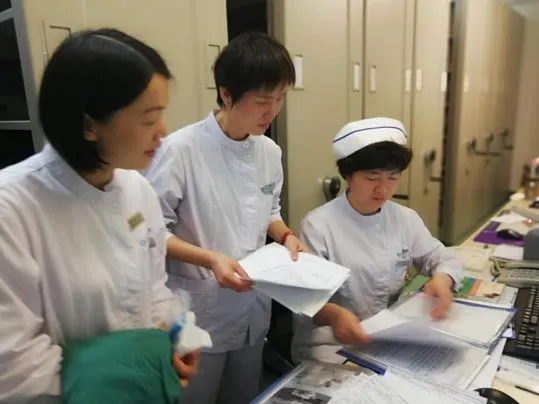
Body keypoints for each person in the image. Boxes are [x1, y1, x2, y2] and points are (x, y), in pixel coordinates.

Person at [0, 28, 198, 403]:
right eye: (149, 119)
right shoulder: (12, 209)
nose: (163, 132)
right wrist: (138, 366)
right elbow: (13, 366)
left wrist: (174, 339)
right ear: (89, 125)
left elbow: (153, 290)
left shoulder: (138, 191)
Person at [144, 32, 307, 404]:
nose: (272, 112)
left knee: (245, 394)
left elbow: (269, 210)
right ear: (227, 94)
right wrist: (210, 259)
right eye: (262, 101)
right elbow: (153, 232)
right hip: (200, 311)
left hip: (251, 306)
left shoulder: (269, 151)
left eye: (280, 98)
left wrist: (286, 236)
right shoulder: (180, 150)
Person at [291, 117, 464, 364]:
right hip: (331, 345)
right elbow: (304, 298)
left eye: (393, 178)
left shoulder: (404, 218)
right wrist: (334, 314)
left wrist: (442, 279)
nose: (383, 190)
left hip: (389, 338)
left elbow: (442, 256)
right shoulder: (318, 225)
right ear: (348, 176)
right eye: (372, 178)